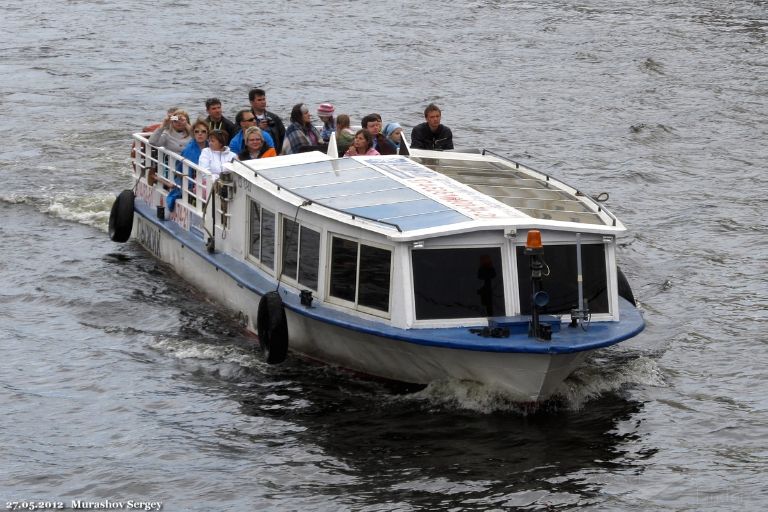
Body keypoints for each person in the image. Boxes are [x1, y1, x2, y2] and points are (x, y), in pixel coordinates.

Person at [249, 88, 286, 154]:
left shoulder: (274, 117)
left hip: (275, 153)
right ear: (252, 102)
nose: (263, 102)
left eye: (264, 99)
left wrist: (280, 152)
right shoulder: (247, 119)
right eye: (259, 100)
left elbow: (283, 136)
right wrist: (258, 128)